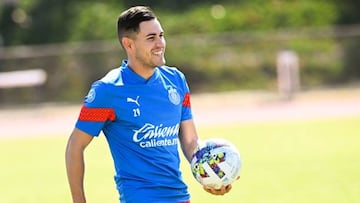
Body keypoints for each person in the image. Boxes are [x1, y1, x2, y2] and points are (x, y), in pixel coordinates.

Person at [65, 6, 235, 203]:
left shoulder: (176, 81)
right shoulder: (107, 91)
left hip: (179, 196)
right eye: (151, 38)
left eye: (161, 35)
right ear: (129, 44)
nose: (160, 43)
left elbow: (190, 141)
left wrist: (209, 174)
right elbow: (75, 146)